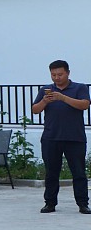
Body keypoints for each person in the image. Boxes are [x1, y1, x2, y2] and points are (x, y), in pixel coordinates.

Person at [31, 59, 91, 214]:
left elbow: (84, 104)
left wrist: (63, 98)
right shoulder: (46, 89)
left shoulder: (80, 87)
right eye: (53, 75)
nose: (57, 78)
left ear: (68, 73)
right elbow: (35, 110)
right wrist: (44, 101)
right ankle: (50, 203)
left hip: (74, 137)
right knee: (51, 172)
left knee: (78, 172)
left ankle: (83, 203)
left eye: (60, 74)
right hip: (51, 137)